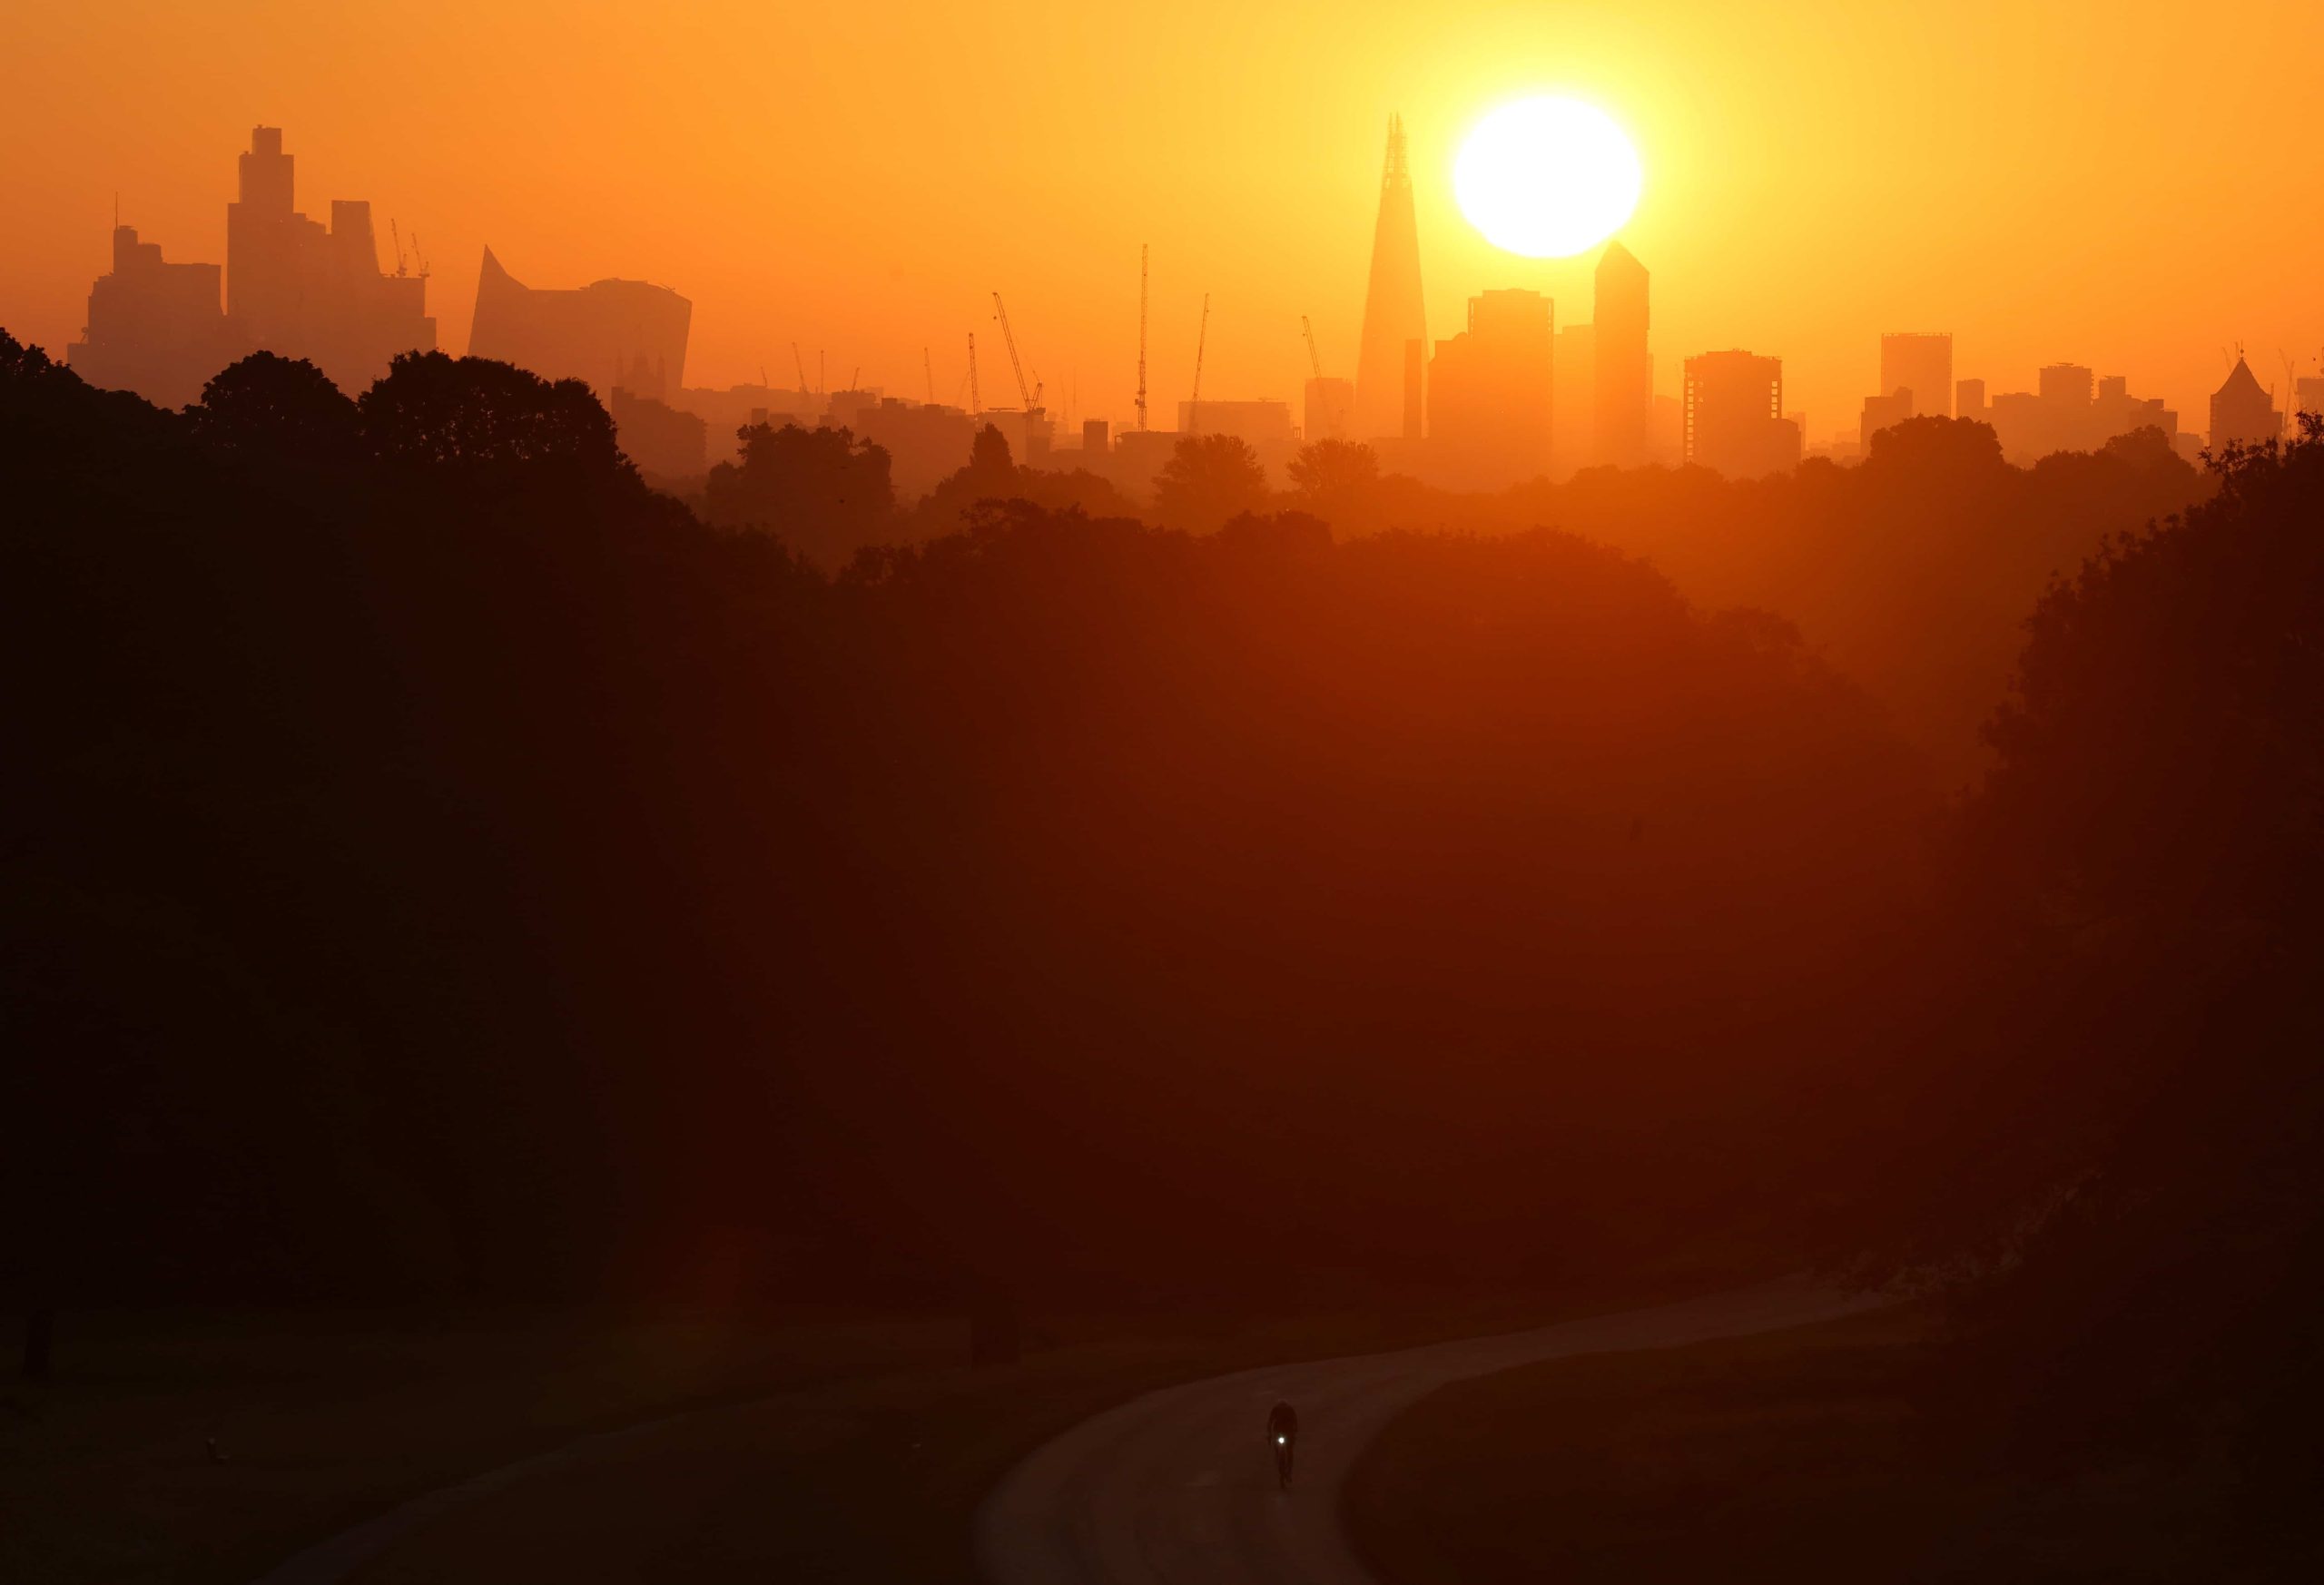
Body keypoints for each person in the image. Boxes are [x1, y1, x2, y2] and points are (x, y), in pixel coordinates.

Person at [1266, 1399, 1299, 1489]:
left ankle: (1289, 1471)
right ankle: (1280, 1464)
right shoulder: (1276, 1410)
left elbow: (1295, 1422)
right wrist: (1269, 1434)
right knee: (1278, 1451)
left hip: (1288, 1433)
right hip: (1279, 1433)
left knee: (1289, 1452)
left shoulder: (1289, 1410)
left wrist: (1295, 1431)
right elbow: (1270, 1422)